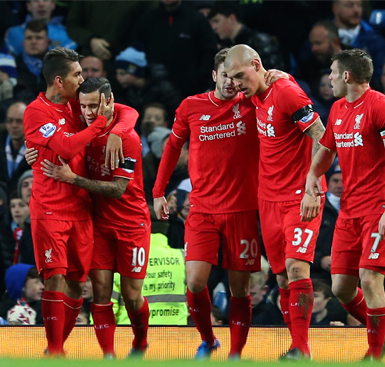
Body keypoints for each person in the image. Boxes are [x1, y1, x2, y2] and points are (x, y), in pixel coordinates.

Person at [152, 48, 284, 360]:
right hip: (201, 210)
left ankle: (236, 353)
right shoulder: (191, 106)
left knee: (239, 289)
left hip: (241, 211)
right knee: (195, 283)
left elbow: (283, 95)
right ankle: (209, 340)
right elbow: (172, 148)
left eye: (235, 76)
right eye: (224, 75)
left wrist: (283, 77)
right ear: (214, 75)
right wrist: (158, 192)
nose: (229, 82)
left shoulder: (252, 103)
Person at [303, 49, 385, 361]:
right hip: (349, 210)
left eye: (333, 73)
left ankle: (374, 356)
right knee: (341, 288)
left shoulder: (381, 106)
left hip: (379, 208)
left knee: (371, 279)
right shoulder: (336, 109)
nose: (330, 79)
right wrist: (312, 175)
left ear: (346, 76)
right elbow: (326, 150)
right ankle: (382, 329)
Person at [224, 44, 327, 360]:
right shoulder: (255, 94)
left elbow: (322, 137)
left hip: (300, 196)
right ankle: (296, 344)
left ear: (256, 64)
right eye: (232, 78)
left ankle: (302, 349)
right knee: (281, 275)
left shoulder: (288, 93)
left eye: (241, 75)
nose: (238, 84)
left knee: (297, 269)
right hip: (268, 198)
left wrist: (312, 186)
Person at [22, 47, 123, 356]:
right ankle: (55, 351)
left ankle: (56, 347)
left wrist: (120, 130)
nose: (83, 79)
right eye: (77, 74)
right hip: (50, 209)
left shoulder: (76, 106)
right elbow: (65, 148)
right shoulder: (36, 111)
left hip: (81, 208)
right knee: (54, 279)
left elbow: (125, 111)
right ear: (58, 80)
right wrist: (97, 127)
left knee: (78, 285)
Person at [38, 77, 149, 358]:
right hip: (98, 224)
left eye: (93, 106)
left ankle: (140, 343)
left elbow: (118, 189)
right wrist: (34, 153)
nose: (87, 112)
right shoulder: (84, 129)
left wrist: (73, 179)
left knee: (132, 297)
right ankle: (109, 357)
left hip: (132, 223)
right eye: (83, 106)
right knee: (100, 294)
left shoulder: (128, 139)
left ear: (108, 101)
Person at [113, 47, 183, 121]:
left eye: (122, 74)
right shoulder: (127, 91)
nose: (118, 78)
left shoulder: (164, 89)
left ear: (136, 72)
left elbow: (179, 115)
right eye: (117, 74)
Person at [332, 0, 385, 78]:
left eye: (359, 5)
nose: (356, 10)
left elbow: (378, 76)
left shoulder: (375, 39)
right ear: (335, 8)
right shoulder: (323, 34)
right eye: (349, 5)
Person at [4, 0, 76, 57]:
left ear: (53, 5)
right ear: (28, 6)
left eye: (45, 0)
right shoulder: (14, 33)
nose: (41, 4)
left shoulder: (67, 33)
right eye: (36, 1)